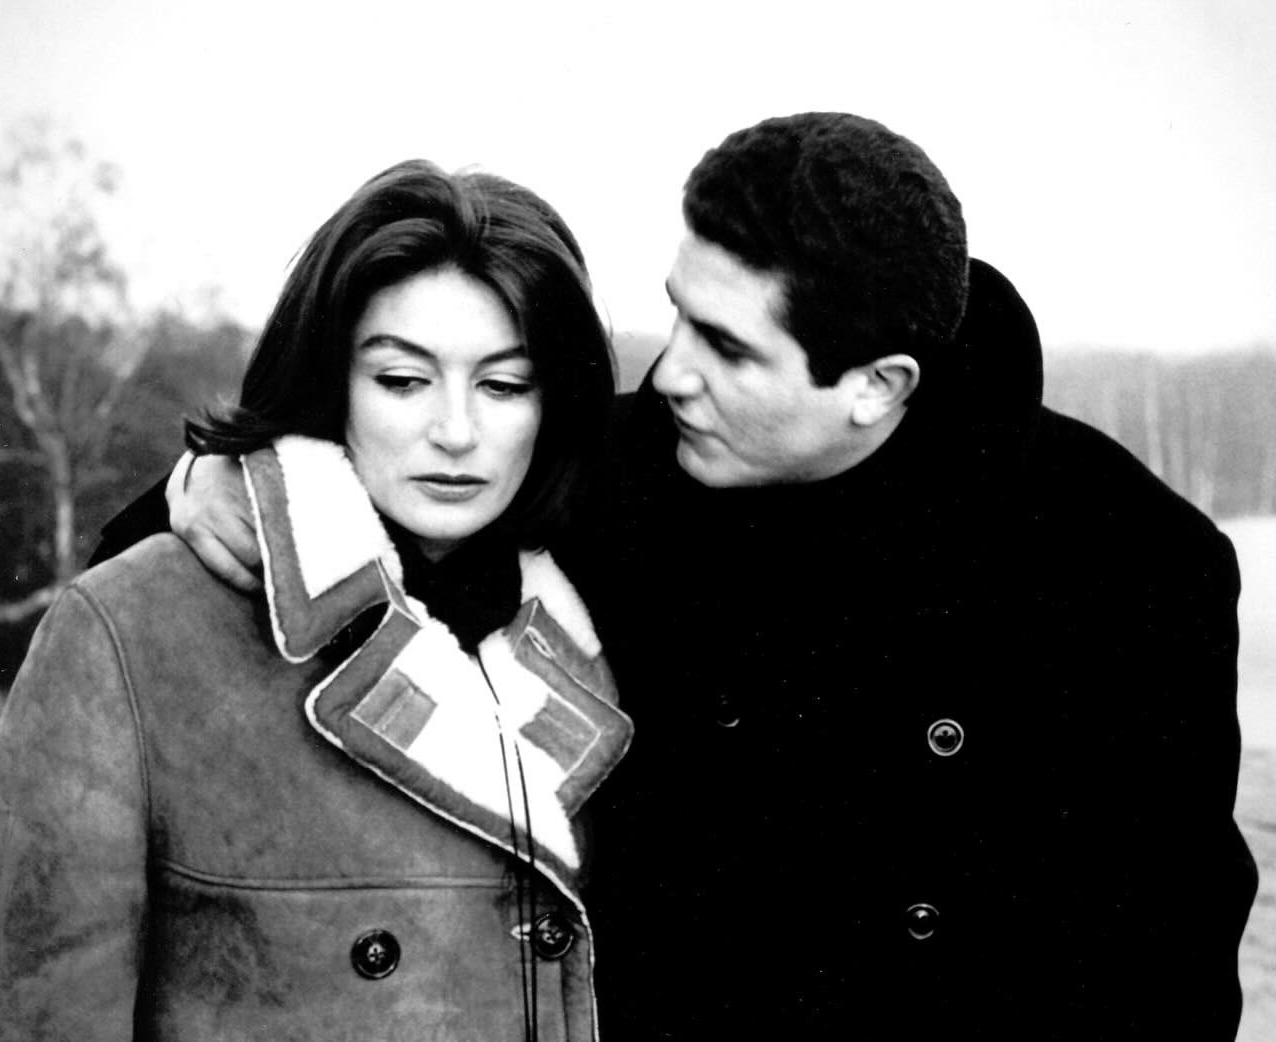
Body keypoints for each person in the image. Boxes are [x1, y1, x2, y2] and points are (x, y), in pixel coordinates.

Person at [91, 114, 1257, 1039]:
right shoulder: (618, 476)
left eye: (731, 349)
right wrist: (218, 484)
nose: (673, 373)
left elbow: (1170, 967)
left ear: (878, 384)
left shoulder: (1131, 564)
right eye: (680, 317)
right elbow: (265, 551)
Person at [0, 159, 630, 1042]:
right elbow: (26, 1018)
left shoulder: (611, 612)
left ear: (555, 400)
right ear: (329, 378)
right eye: (401, 380)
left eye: (504, 385)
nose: (456, 432)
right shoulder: (132, 628)